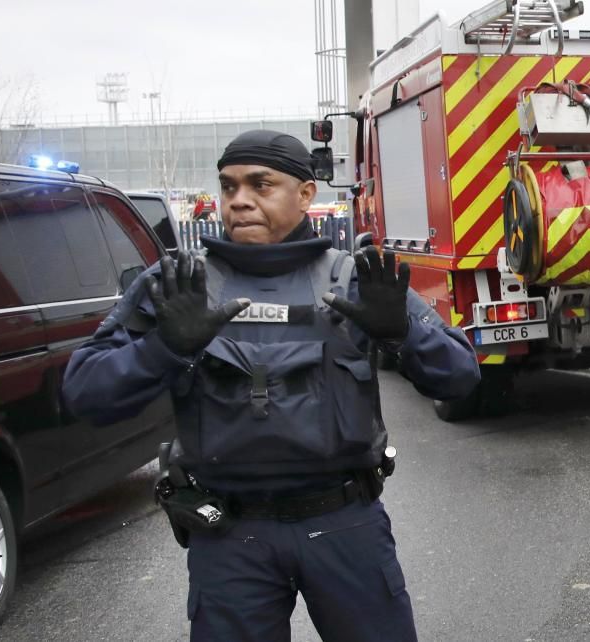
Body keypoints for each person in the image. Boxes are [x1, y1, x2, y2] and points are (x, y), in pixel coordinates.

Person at [62, 130, 481, 641]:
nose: (239, 200)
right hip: (230, 538)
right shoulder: (178, 288)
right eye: (229, 186)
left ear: (306, 194)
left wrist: (403, 332)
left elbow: (460, 377)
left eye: (261, 184)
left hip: (345, 524)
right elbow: (83, 393)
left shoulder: (351, 280)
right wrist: (162, 349)